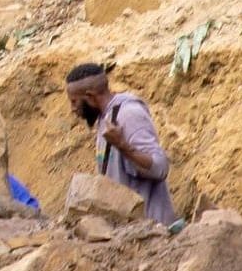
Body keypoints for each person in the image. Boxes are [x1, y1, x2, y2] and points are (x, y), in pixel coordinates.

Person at [64, 63, 175, 226]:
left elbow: (160, 167)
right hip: (131, 231)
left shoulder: (128, 115)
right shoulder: (105, 117)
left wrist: (123, 146)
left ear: (90, 96)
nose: (72, 109)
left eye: (74, 102)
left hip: (153, 231)